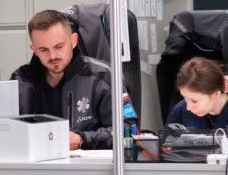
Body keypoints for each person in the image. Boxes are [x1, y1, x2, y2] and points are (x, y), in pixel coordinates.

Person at [11, 9, 138, 150]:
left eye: (59, 46)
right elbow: (5, 130)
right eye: (43, 50)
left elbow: (130, 130)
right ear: (34, 49)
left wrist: (82, 139)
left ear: (73, 41)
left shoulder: (103, 76)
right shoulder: (20, 80)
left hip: (87, 168)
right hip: (34, 166)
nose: (52, 56)